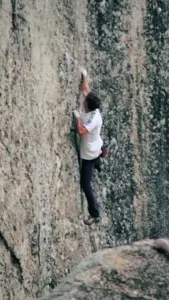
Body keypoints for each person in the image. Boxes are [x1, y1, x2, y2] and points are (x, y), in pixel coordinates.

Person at [73, 68, 104, 225]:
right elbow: (86, 90)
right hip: (96, 147)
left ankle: (95, 213)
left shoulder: (93, 119)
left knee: (85, 184)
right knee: (98, 152)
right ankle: (99, 162)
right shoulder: (93, 106)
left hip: (89, 154)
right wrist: (84, 76)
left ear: (88, 106)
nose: (82, 103)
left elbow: (81, 131)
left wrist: (78, 118)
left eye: (84, 103)